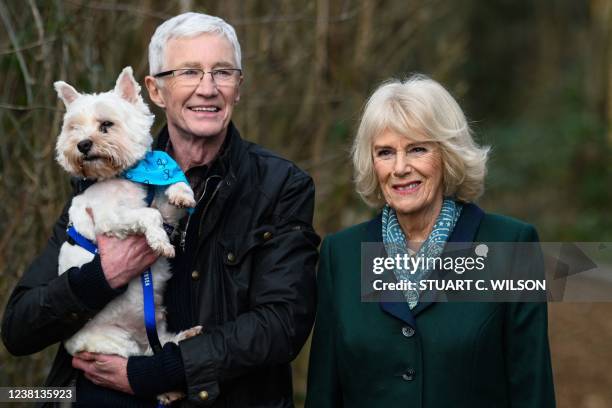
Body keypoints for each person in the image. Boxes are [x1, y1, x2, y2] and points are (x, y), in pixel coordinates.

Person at [2, 12, 319, 407]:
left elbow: (282, 324)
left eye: (222, 72)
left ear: (238, 87)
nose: (207, 88)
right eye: (188, 72)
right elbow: (19, 328)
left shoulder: (280, 185)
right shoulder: (102, 177)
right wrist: (102, 277)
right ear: (155, 90)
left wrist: (154, 373)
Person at [305, 75, 556, 407]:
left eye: (417, 149)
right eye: (384, 152)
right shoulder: (342, 255)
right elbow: (324, 394)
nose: (400, 167)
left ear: (447, 155)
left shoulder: (510, 246)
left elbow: (532, 392)